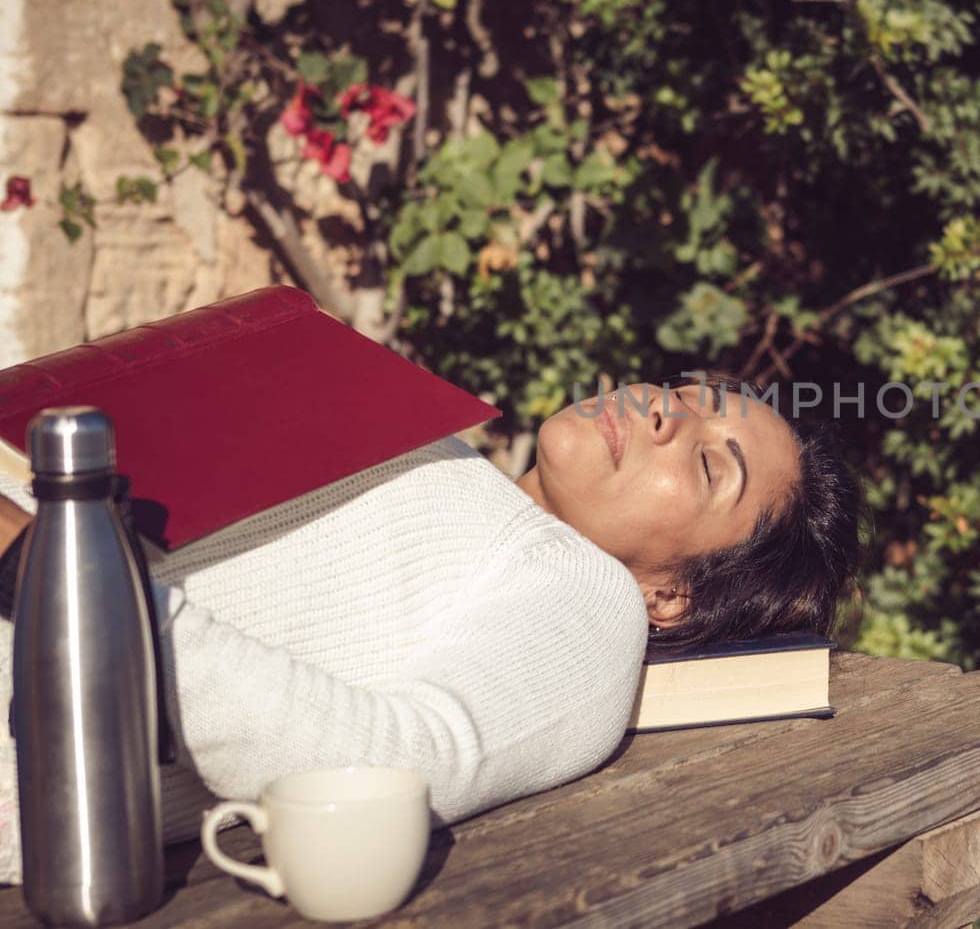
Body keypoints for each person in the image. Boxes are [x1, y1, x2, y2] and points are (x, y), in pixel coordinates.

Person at [0, 372, 864, 885]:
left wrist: (50, 565)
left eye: (709, 464)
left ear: (674, 596)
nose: (664, 413)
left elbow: (372, 772)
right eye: (685, 393)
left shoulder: (587, 600)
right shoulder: (445, 453)